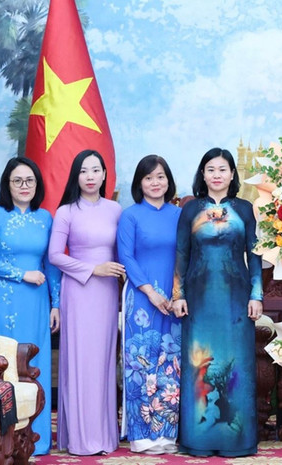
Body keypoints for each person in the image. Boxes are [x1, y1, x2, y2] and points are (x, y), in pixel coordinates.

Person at [171, 148, 263, 457]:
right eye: (210, 169)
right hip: (198, 298)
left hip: (236, 300)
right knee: (200, 362)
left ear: (233, 174)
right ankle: (199, 437)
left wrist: (256, 294)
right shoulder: (190, 209)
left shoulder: (246, 209)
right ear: (203, 174)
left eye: (222, 169)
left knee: (235, 363)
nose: (217, 175)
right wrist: (178, 294)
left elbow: (255, 254)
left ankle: (236, 438)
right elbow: (181, 254)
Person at [0, 157, 61, 455]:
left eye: (30, 181)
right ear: (7, 185)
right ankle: (2, 439)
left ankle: (35, 438)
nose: (24, 186)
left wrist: (56, 303)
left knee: (34, 365)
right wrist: (21, 274)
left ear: (37, 185)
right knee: (5, 367)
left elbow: (50, 265)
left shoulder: (45, 218)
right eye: (17, 181)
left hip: (37, 301)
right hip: (4, 298)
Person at [49, 149, 124, 455]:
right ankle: (79, 438)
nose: (90, 176)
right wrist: (93, 269)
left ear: (105, 175)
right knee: (80, 362)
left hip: (107, 293)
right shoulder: (66, 211)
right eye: (84, 171)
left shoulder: (115, 210)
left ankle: (105, 437)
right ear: (75, 176)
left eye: (96, 170)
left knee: (104, 363)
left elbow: (122, 254)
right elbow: (55, 255)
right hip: (78, 292)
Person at [117, 155, 182, 454]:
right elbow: (126, 258)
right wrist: (151, 293)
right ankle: (142, 434)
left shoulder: (179, 214)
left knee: (170, 364)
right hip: (142, 299)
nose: (155, 183)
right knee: (140, 364)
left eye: (160, 177)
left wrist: (177, 294)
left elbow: (185, 255)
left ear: (168, 181)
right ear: (139, 183)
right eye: (148, 178)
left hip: (174, 299)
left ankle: (167, 433)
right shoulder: (130, 215)